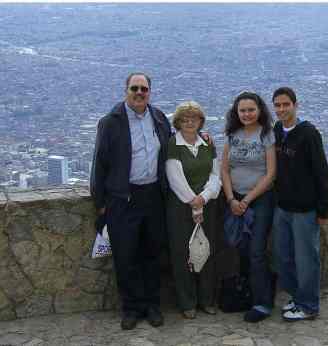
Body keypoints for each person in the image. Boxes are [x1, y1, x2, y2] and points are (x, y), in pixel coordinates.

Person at [90, 72, 171, 330]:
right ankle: (131, 308)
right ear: (126, 90)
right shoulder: (111, 122)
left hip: (152, 196)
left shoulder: (159, 118)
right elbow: (99, 163)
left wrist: (203, 138)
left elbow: (173, 145)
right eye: (134, 88)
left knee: (152, 252)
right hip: (123, 198)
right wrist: (100, 202)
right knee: (126, 256)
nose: (139, 93)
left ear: (150, 92)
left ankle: (152, 305)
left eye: (144, 89)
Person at [271, 87, 328, 322]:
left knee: (307, 259)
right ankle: (298, 297)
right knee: (283, 256)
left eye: (286, 104)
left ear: (296, 105)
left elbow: (321, 173)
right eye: (277, 105)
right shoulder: (277, 130)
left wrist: (323, 208)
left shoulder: (308, 134)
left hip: (305, 209)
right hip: (283, 206)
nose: (281, 109)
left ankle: (309, 305)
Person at [221, 91, 276, 323]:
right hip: (236, 198)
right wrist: (232, 199)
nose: (246, 114)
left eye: (251, 109)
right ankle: (248, 294)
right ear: (236, 112)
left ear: (259, 110)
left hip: (260, 199)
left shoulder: (266, 134)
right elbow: (224, 169)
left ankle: (262, 302)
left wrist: (247, 200)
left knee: (256, 250)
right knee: (241, 249)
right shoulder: (233, 134)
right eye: (242, 110)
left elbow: (271, 173)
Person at [165, 101, 221, 319]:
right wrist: (193, 200)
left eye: (194, 118)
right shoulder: (173, 144)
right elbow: (174, 176)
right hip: (180, 208)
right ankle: (187, 301)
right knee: (182, 255)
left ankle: (207, 299)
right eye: (185, 118)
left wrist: (204, 198)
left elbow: (215, 175)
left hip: (208, 206)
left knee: (208, 251)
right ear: (178, 122)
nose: (189, 122)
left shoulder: (208, 143)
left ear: (200, 122)